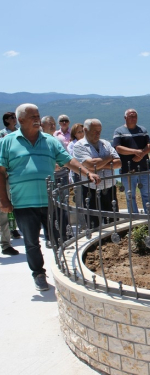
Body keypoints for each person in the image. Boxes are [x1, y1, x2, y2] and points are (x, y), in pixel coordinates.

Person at [0, 104, 100, 291]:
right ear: (20, 120)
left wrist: (87, 173)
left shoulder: (49, 141)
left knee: (60, 238)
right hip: (23, 202)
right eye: (33, 116)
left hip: (51, 201)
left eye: (38, 115)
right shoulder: (7, 141)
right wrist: (4, 200)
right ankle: (38, 273)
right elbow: (1, 171)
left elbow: (67, 160)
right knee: (31, 242)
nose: (37, 119)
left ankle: (66, 271)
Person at [73, 119, 121, 230]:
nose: (98, 134)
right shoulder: (79, 146)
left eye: (99, 131)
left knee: (114, 223)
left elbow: (118, 163)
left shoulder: (106, 143)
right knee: (94, 224)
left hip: (110, 189)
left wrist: (98, 164)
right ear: (85, 130)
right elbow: (90, 165)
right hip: (91, 190)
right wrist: (109, 158)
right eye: (95, 131)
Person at [113, 109, 150, 214]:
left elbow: (149, 145)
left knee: (147, 194)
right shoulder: (119, 131)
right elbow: (118, 148)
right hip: (128, 170)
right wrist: (135, 152)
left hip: (144, 167)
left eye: (135, 116)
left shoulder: (143, 130)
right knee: (130, 196)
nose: (133, 118)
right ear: (125, 117)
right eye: (131, 116)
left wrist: (142, 154)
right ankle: (134, 219)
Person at [1, 112, 22, 241]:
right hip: (7, 173)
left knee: (16, 201)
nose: (15, 119)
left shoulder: (21, 133)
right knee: (7, 201)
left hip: (18, 172)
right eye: (12, 118)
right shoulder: (2, 134)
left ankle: (16, 227)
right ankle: (10, 230)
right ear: (7, 120)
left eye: (15, 117)